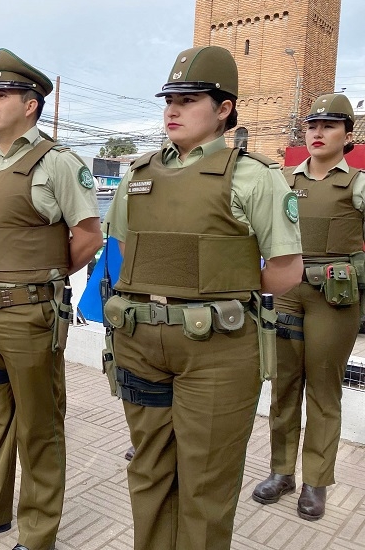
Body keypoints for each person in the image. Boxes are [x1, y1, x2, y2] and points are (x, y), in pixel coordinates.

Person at [102, 45, 304, 550]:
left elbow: (286, 270)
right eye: (169, 99)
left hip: (218, 350)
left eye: (189, 99)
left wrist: (221, 286)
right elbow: (127, 252)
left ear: (224, 109)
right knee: (148, 469)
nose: (172, 110)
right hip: (142, 343)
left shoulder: (253, 175)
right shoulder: (139, 174)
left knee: (206, 481)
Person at [0, 49, 103, 550]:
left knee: (38, 427)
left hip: (29, 316)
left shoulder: (57, 163)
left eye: (2, 95)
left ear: (31, 105)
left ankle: (38, 533)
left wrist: (40, 278)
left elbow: (88, 236)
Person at [252, 93, 363, 521]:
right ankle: (281, 473)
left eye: (329, 126)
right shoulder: (283, 180)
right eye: (312, 126)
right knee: (282, 389)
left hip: (334, 300)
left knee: (322, 391)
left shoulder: (357, 184)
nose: (317, 133)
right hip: (287, 295)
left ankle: (317, 481)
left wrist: (352, 272)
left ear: (347, 135)